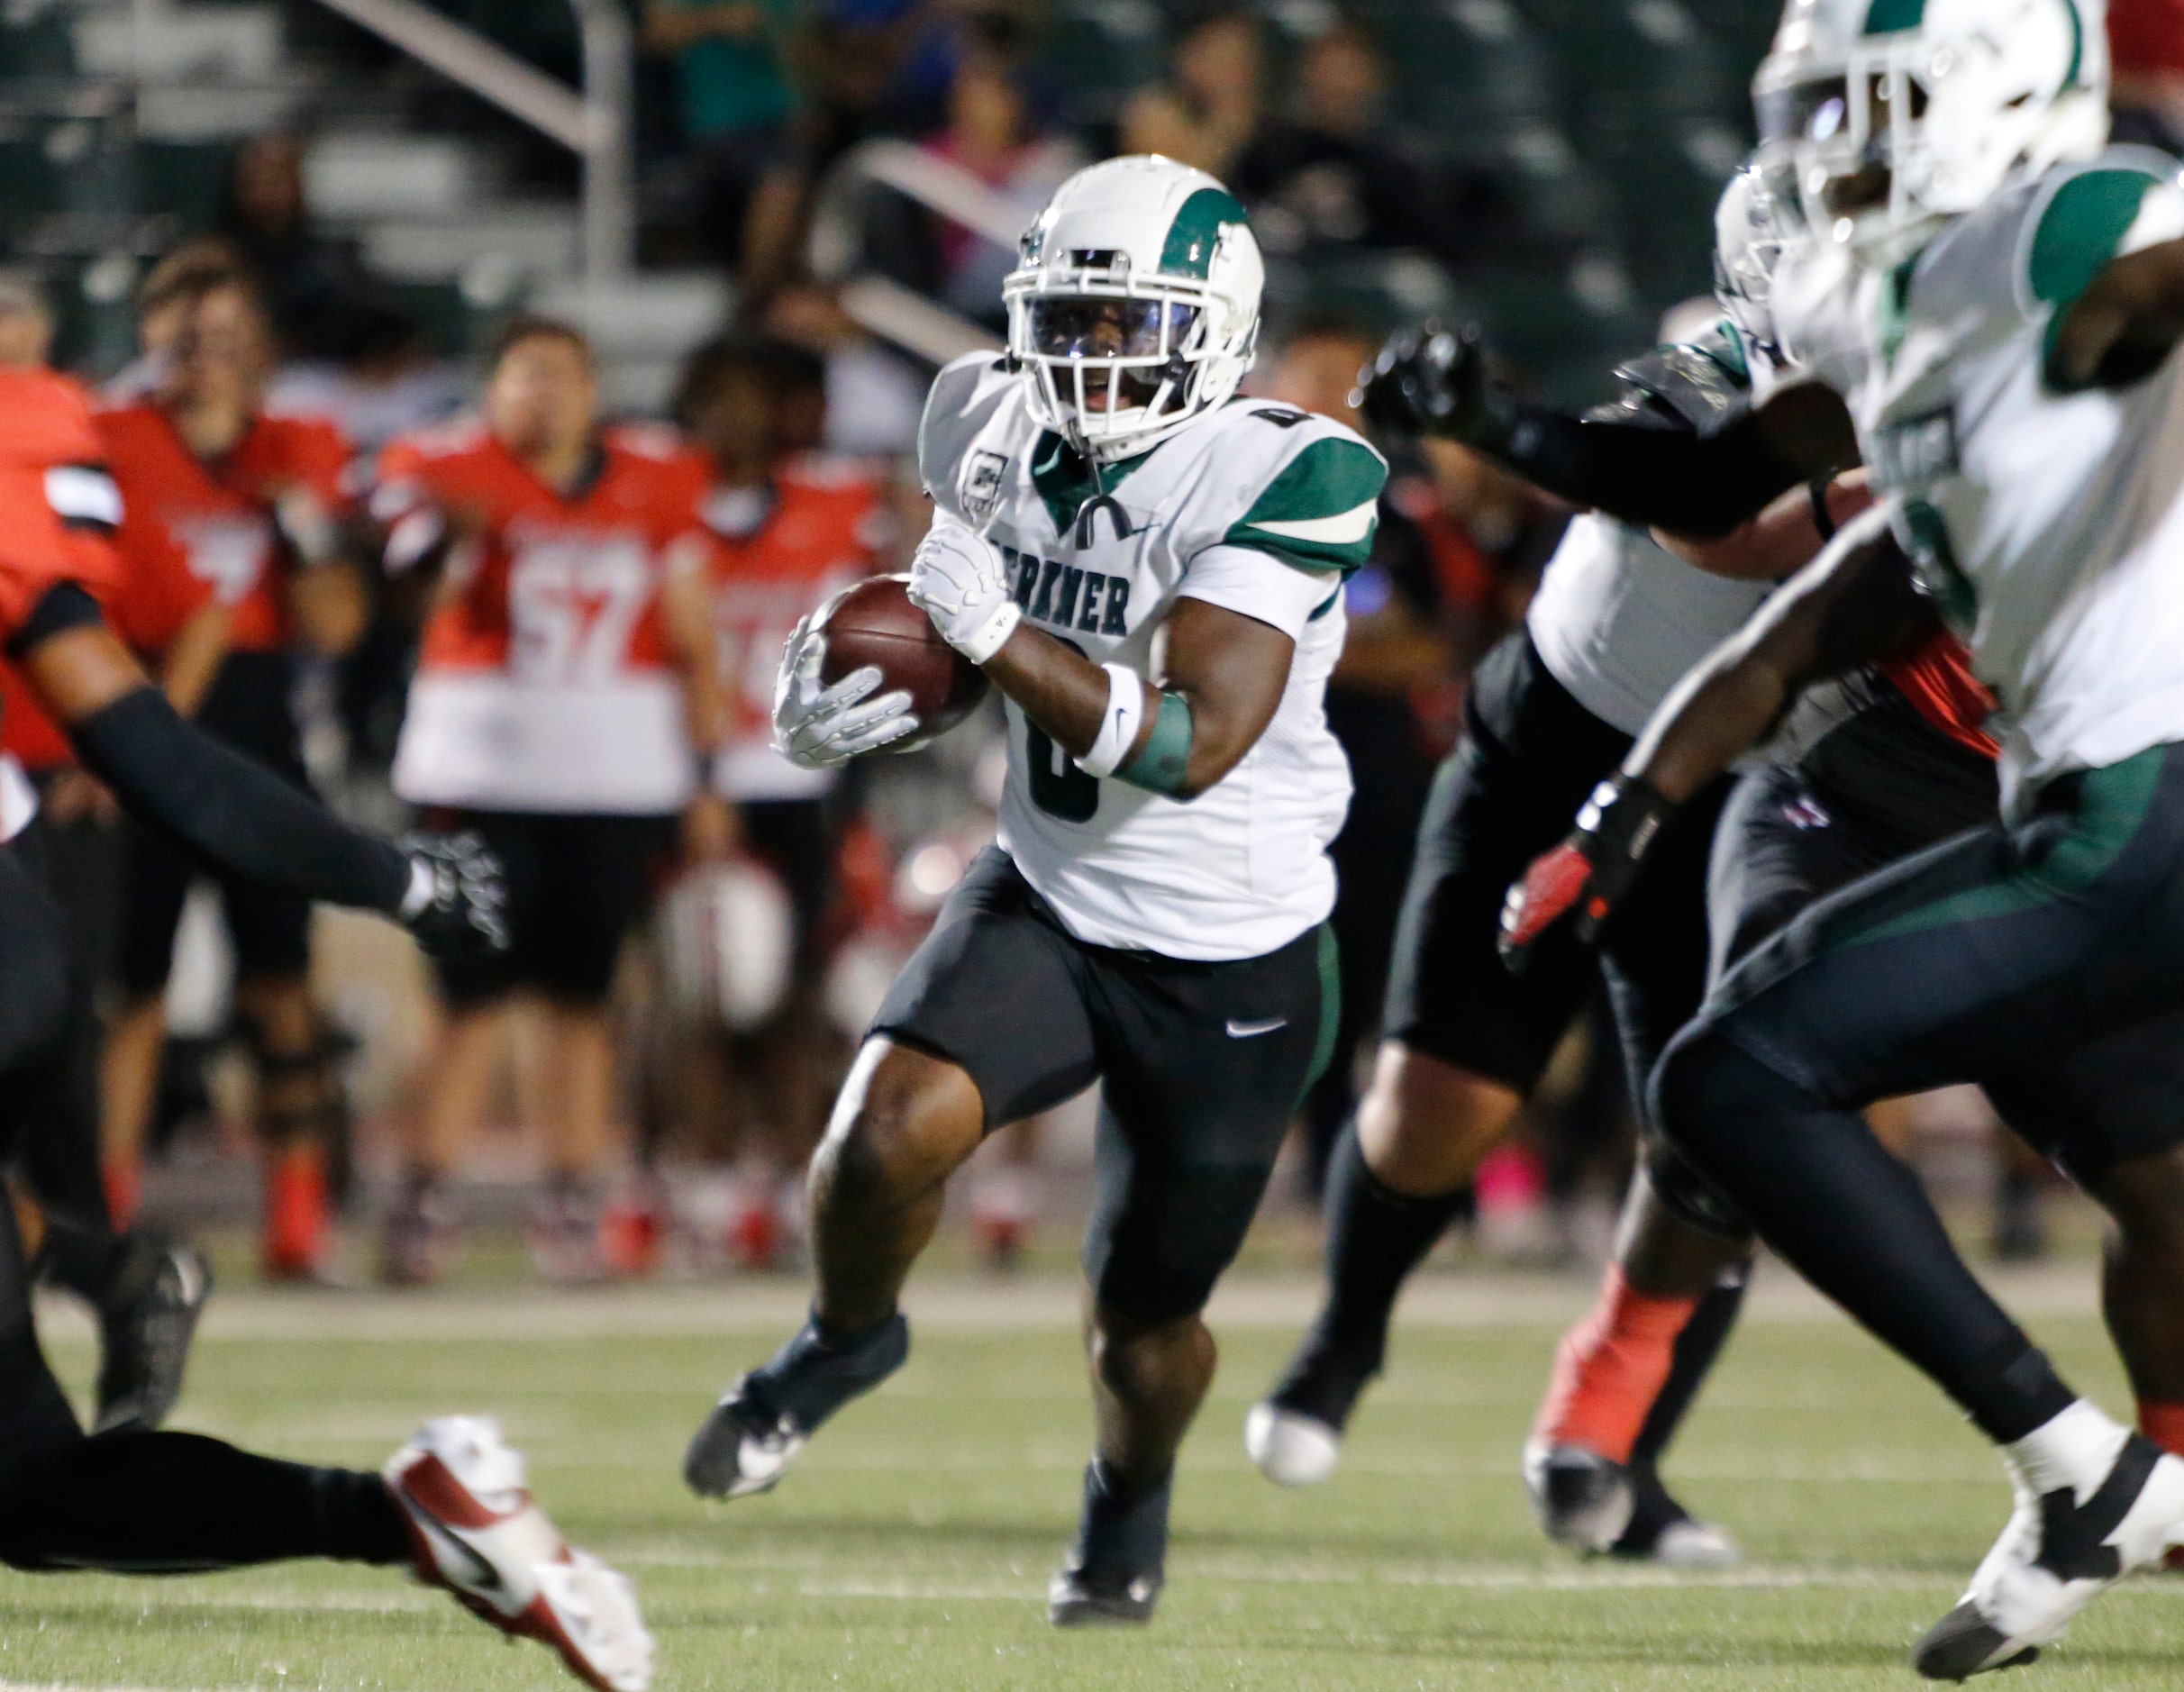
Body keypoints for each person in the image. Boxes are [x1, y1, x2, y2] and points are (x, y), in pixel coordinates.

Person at [1494, 0, 2184, 1672]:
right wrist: (1500, 437)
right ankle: (2104, 1475)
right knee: (1759, 1082)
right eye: (1816, 116)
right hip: (1994, 786)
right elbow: (1777, 545)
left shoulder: (2080, 228)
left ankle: (2080, 1463)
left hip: (2129, 801)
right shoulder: (1896, 299)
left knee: (1732, 1072)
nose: (1829, 159)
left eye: (1869, 114)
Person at [682, 156, 1381, 1624]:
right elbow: (952, 637)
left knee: (1142, 1324)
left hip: (1226, 952)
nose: (1090, 355)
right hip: (1051, 898)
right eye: (1068, 318)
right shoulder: (976, 412)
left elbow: (1182, 744)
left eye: (1130, 325)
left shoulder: (1292, 468)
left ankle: (1125, 1499)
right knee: (875, 1139)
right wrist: (862, 692)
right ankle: (843, 1331)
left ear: (1213, 328)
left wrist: (991, 636)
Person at [0, 348, 649, 1692]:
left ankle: (113, 1272)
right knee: (30, 1488)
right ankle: (410, 1512)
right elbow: (157, 760)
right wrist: (394, 873)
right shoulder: (32, 461)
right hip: (17, 945)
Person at [1244, 171, 1834, 1567]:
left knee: (1715, 1143)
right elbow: (1666, 474)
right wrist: (1495, 428)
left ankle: (1624, 1462)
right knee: (1431, 1106)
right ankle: (1344, 1340)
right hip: (1559, 737)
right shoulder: (1718, 352)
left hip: (1738, 790)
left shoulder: (1969, 379)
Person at [376, 316, 730, 1285]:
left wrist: (707, 773)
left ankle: (573, 1196)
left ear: (593, 386)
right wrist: (437, 541)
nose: (543, 395)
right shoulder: (442, 468)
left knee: (584, 1002)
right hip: (474, 771)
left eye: (562, 376)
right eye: (524, 375)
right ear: (489, 388)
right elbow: (393, 591)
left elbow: (691, 629)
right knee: (464, 1002)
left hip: (616, 774)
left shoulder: (658, 475)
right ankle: (422, 1196)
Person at [94, 264, 369, 1279]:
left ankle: (296, 1219)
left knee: (280, 987)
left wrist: (301, 525)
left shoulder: (295, 447)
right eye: (188, 324)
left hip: (260, 725)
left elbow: (335, 626)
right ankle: (105, 1214)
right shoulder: (111, 437)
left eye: (229, 326)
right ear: (154, 331)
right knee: (134, 987)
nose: (207, 346)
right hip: (136, 706)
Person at [670, 332, 887, 1262]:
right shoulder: (656, 506)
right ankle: (704, 1184)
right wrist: (696, 779)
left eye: (752, 399)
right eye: (719, 399)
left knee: (798, 995)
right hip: (690, 779)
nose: (737, 420)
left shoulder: (839, 506)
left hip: (805, 783)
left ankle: (798, 1180)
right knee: (697, 996)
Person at [1256, 319, 1452, 1187]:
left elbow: (1435, 648)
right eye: (1314, 377)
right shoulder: (1229, 504)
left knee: (1377, 979)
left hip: (1377, 788)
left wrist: (1298, 646)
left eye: (1347, 379)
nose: (1329, 397)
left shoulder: (1397, 516)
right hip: (1257, 788)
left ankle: (1358, 1168)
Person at [1119, 9, 1263, 182]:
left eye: (1244, 56)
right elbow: (1178, 188)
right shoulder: (1156, 113)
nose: (1236, 69)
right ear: (1188, 57)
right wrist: (1227, 124)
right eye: (1222, 56)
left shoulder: (1268, 123)